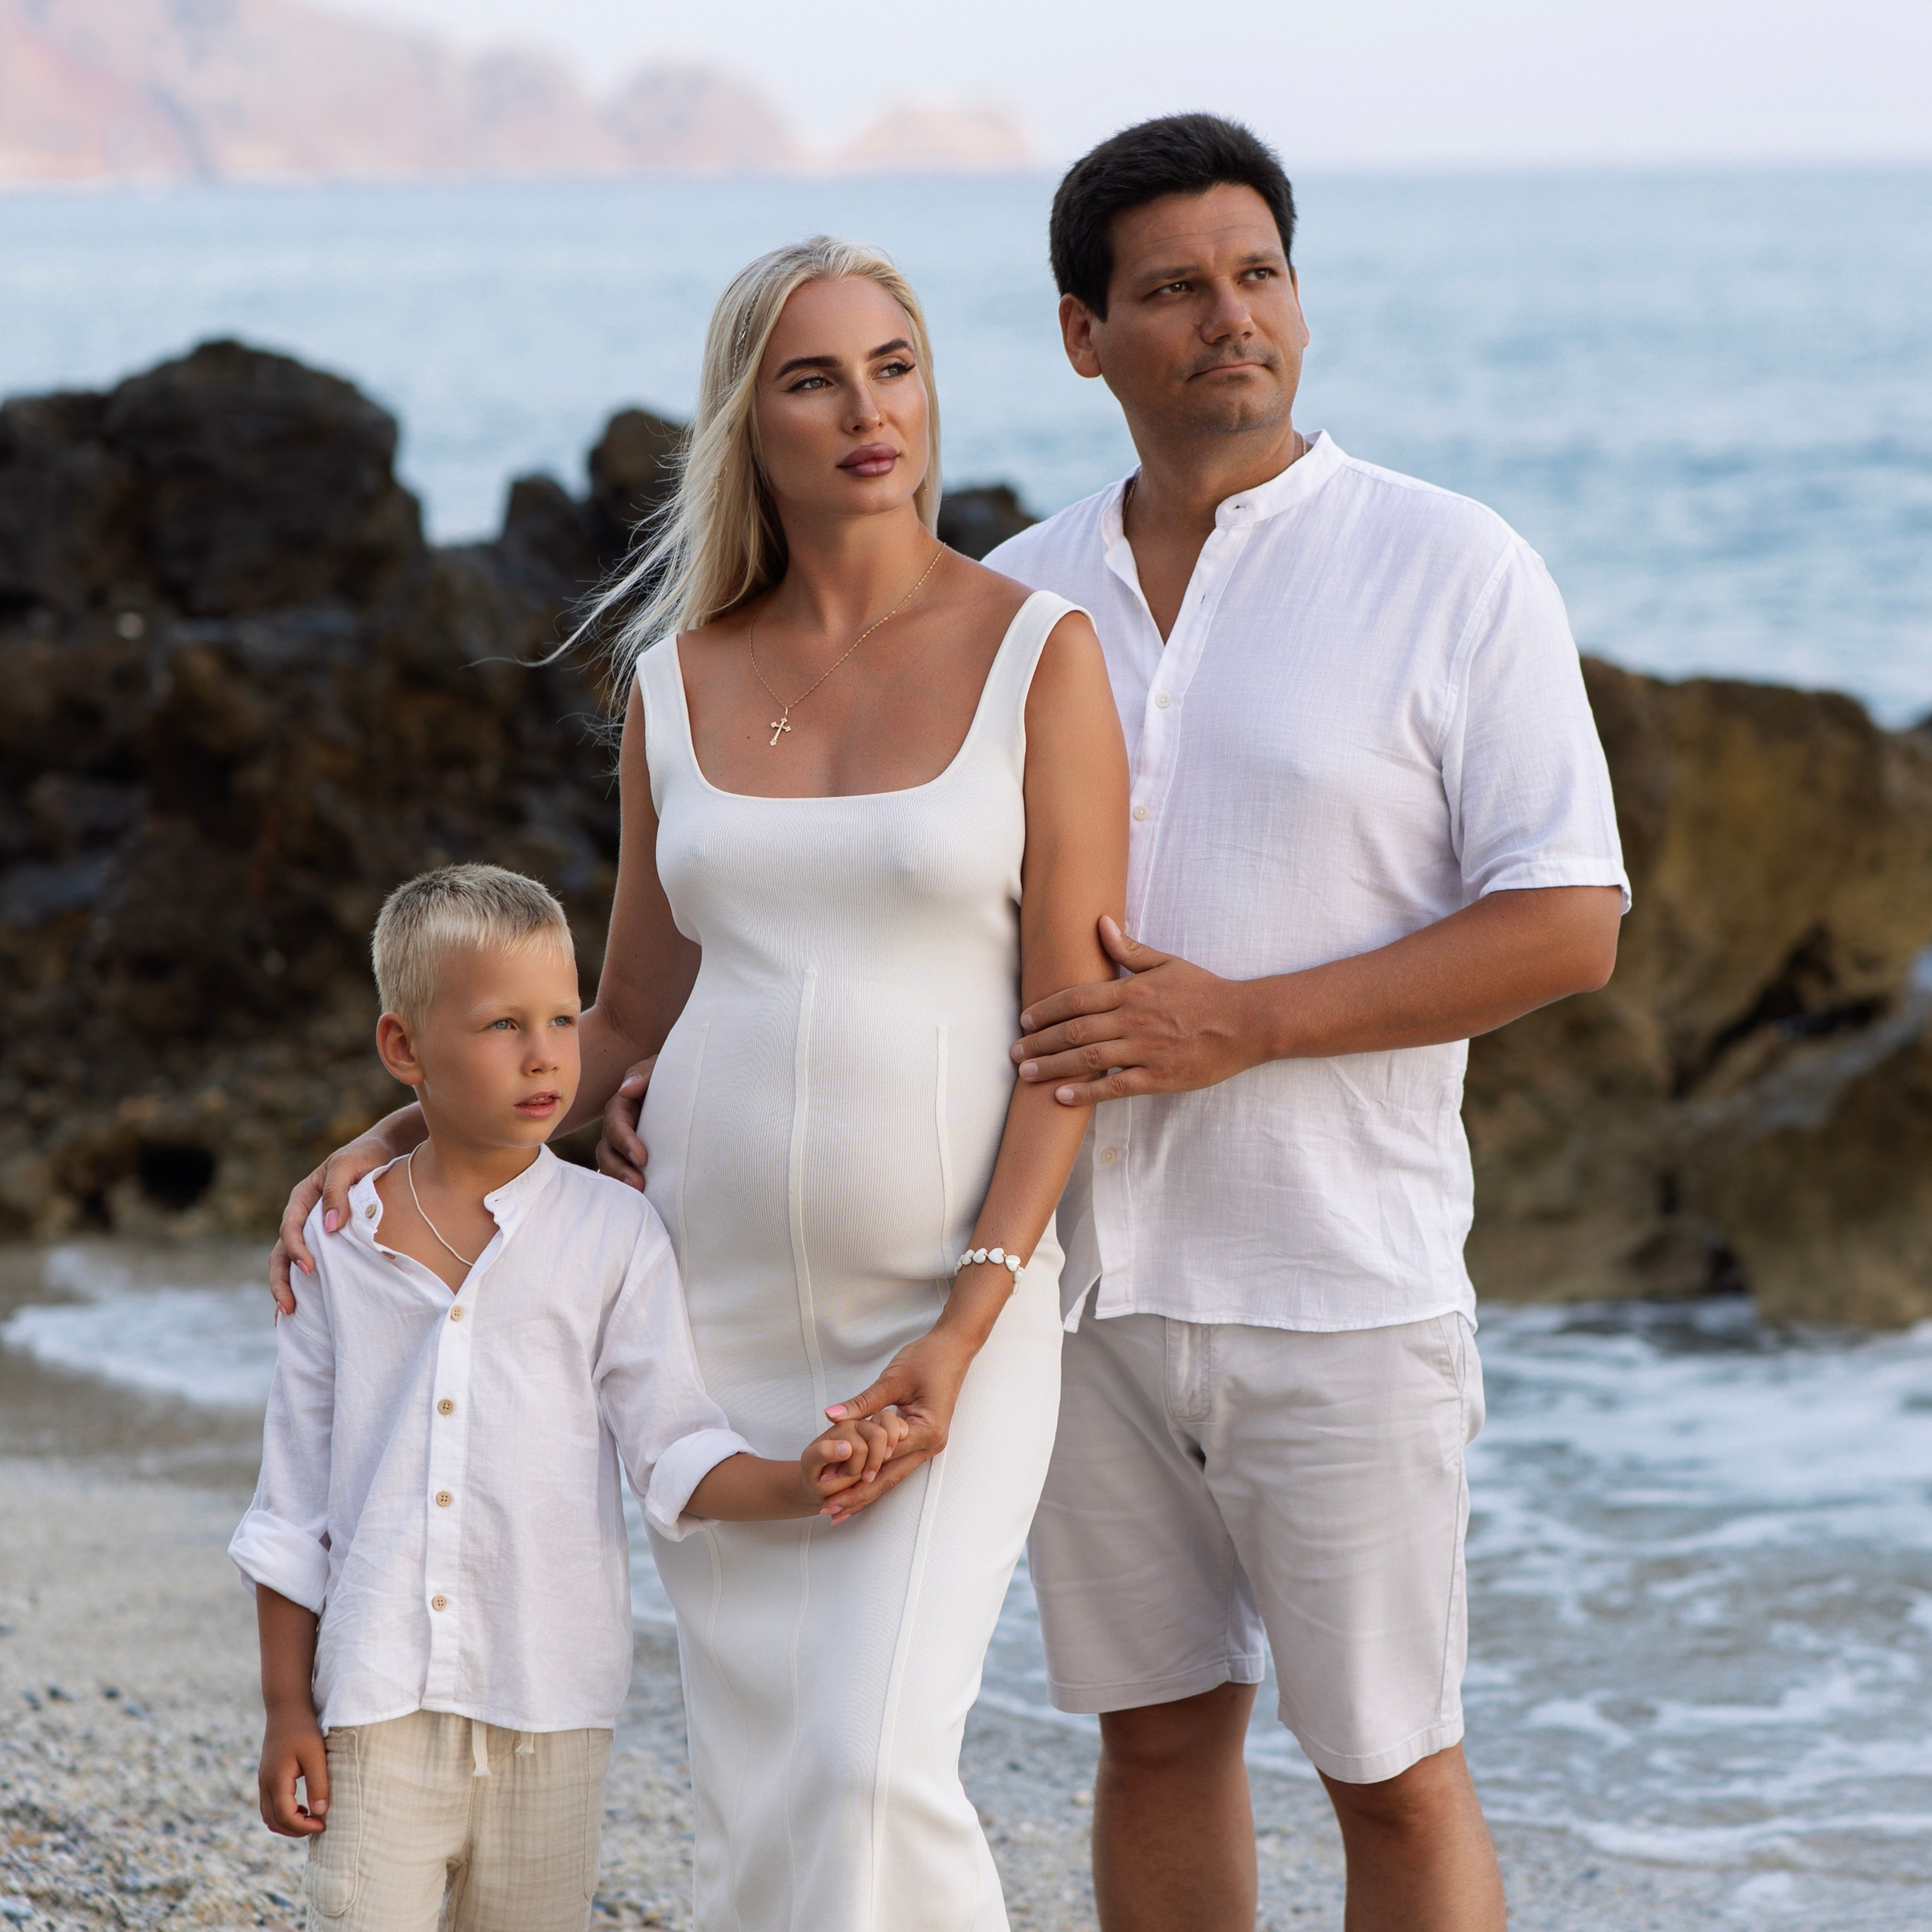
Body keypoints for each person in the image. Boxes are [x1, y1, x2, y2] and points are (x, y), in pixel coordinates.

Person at [269, 242, 1130, 1930]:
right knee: (758, 1794)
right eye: (813, 377)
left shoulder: (1043, 653)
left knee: (874, 1763)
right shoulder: (676, 681)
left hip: (949, 1306)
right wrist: (394, 1129)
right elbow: (632, 1005)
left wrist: (969, 1314)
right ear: (751, 419)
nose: (867, 408)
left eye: (894, 364)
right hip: (700, 1312)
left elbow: (1071, 1026)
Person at [979, 116, 1631, 1932]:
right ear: (1079, 333)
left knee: (1391, 1764)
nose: (1225, 319)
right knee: (1154, 1737)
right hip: (1082, 1281)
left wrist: (1244, 1024)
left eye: (1255, 275)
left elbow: (1567, 920)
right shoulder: (1010, 603)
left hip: (1342, 1278)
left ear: (1300, 303)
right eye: (1171, 288)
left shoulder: (1450, 564)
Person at [235, 864, 903, 1930]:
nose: (547, 1054)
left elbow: (672, 1446)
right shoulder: (337, 1243)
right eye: (503, 1024)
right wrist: (284, 1711)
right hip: (375, 1703)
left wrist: (799, 1479)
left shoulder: (615, 1234)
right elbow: (290, 1507)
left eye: (560, 1016)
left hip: (552, 1707)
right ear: (404, 1049)